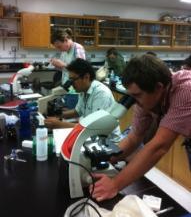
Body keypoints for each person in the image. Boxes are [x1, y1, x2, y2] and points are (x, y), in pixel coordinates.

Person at [90, 54, 191, 202]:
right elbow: (133, 137)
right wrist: (102, 161)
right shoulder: (148, 94)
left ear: (158, 87)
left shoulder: (185, 90)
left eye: (137, 96)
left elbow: (159, 146)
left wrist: (114, 184)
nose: (134, 102)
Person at [45, 58, 120, 141]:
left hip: (106, 141)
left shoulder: (101, 94)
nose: (71, 84)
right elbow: (77, 111)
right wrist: (58, 115)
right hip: (90, 135)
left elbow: (93, 129)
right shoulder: (83, 89)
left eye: (73, 79)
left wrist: (60, 124)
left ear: (86, 77)